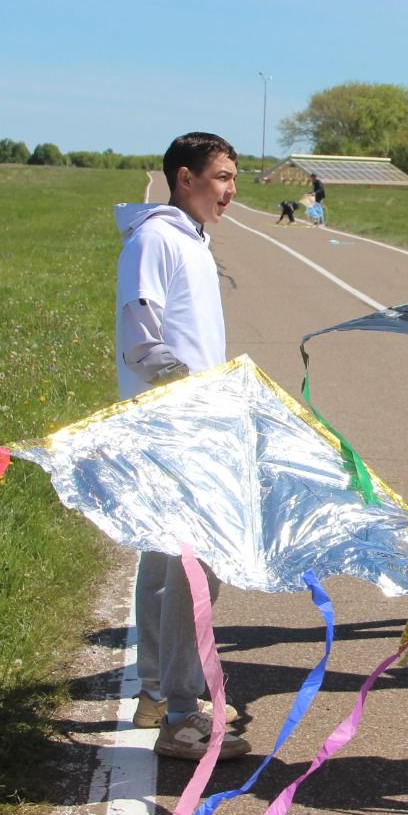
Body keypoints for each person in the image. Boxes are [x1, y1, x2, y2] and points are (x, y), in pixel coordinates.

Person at [115, 131, 252, 761]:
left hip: (191, 421)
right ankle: (179, 713)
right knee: (197, 567)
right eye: (221, 177)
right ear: (184, 176)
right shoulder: (157, 238)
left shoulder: (191, 238)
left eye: (231, 178)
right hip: (176, 425)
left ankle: (153, 692)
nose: (230, 190)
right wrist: (195, 396)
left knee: (165, 561)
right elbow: (141, 339)